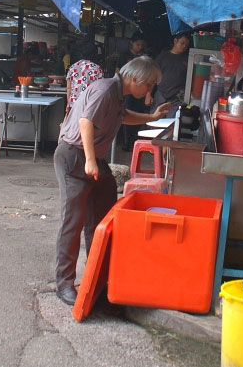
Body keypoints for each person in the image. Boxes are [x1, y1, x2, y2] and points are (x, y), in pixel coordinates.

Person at [53, 55, 171, 305]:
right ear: (136, 78)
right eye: (149, 85)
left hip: (89, 156)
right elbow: (86, 122)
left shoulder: (117, 94)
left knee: (102, 212)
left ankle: (97, 276)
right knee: (73, 219)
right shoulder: (106, 89)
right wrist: (90, 160)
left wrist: (150, 118)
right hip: (74, 156)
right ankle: (64, 284)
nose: (149, 90)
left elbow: (122, 116)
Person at [116, 31, 148, 152]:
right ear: (132, 43)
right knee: (126, 114)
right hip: (127, 91)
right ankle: (126, 142)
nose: (140, 47)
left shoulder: (143, 58)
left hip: (140, 90)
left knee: (138, 114)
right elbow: (118, 71)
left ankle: (134, 142)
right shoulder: (124, 56)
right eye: (138, 44)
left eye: (141, 45)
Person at [152, 31, 192, 114]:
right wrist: (148, 94)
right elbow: (152, 76)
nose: (184, 46)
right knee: (154, 120)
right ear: (175, 41)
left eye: (186, 45)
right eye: (182, 43)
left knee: (172, 122)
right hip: (160, 94)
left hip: (177, 97)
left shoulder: (188, 60)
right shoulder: (162, 57)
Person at [65, 43, 104, 115]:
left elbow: (68, 88)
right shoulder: (97, 68)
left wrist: (69, 102)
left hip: (74, 103)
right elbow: (100, 89)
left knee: (75, 125)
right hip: (90, 103)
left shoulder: (73, 67)